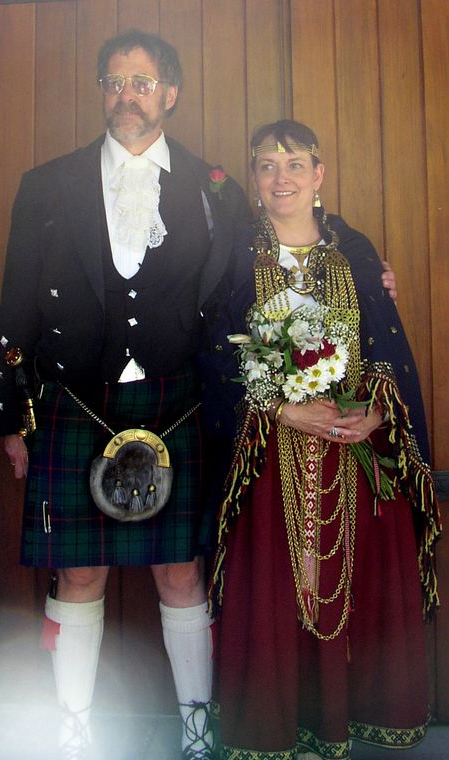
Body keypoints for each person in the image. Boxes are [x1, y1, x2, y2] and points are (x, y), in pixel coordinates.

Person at [0, 28, 252, 760]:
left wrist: (363, 271)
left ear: (169, 94)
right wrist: (12, 415)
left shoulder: (217, 189)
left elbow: (247, 288)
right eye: (113, 83)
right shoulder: (47, 184)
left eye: (141, 83)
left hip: (182, 403)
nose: (126, 97)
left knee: (182, 569)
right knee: (77, 569)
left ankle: (197, 728)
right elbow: (16, 305)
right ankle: (72, 731)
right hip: (77, 399)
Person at [204, 120, 441, 760]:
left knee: (349, 586)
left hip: (351, 450)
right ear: (253, 179)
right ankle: (276, 727)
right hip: (268, 455)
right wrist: (282, 409)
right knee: (278, 592)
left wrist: (375, 414)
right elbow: (219, 352)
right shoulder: (232, 252)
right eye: (265, 165)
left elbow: (384, 347)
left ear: (319, 173)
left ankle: (343, 720)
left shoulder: (356, 250)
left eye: (294, 163)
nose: (280, 178)